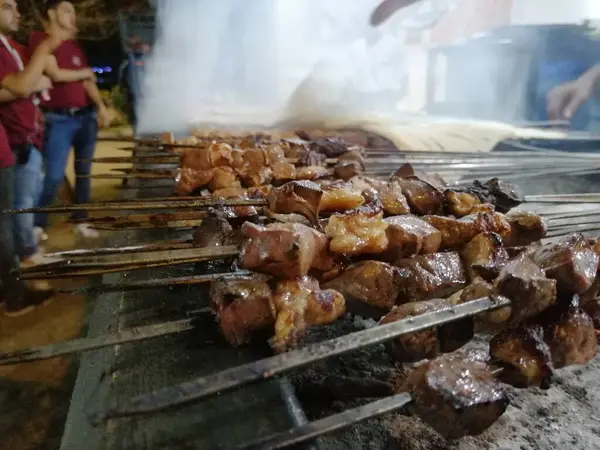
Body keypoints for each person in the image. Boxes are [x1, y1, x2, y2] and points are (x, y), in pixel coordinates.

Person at [30, 0, 109, 239]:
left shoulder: (74, 47)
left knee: (83, 172)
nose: (72, 16)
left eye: (73, 11)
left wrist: (101, 106)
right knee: (53, 175)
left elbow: (88, 82)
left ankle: (80, 219)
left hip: (86, 117)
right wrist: (84, 73)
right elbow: (55, 73)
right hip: (59, 119)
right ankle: (37, 225)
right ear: (52, 14)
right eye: (66, 11)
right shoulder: (40, 40)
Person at [0, 0, 60, 316]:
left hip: (19, 142)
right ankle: (15, 292)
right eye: (8, 6)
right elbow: (25, 83)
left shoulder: (9, 46)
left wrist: (22, 86)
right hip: (10, 145)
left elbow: (37, 81)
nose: (18, 13)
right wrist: (48, 43)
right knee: (8, 221)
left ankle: (8, 285)